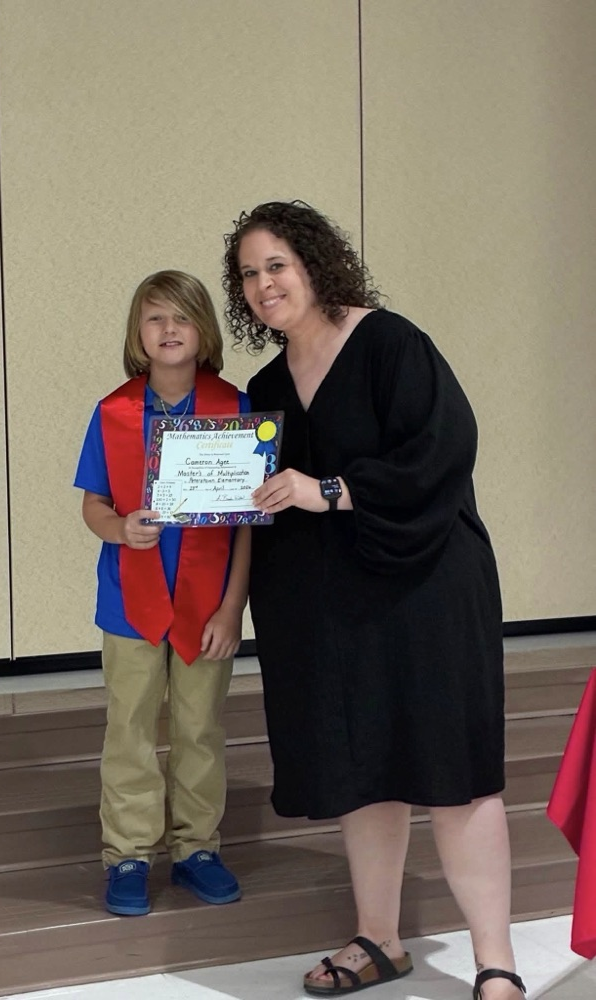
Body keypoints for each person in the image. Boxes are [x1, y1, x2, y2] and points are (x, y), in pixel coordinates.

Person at [221, 202, 525, 999]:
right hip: (334, 613)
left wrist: (329, 488)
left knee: (456, 773)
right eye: (249, 274)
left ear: (316, 263)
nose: (263, 284)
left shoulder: (389, 343)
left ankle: (496, 961)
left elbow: (444, 451)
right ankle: (379, 941)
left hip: (427, 589)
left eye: (276, 264)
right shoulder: (265, 386)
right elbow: (265, 507)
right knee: (365, 769)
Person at [74, 270, 250, 916]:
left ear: (203, 330)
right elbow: (92, 505)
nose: (169, 330)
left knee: (200, 728)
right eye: (155, 318)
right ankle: (127, 853)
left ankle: (197, 848)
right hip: (130, 603)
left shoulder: (234, 411)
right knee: (131, 728)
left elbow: (246, 526)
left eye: (181, 318)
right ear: (137, 334)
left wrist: (233, 607)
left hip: (208, 607)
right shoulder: (114, 413)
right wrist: (120, 528)